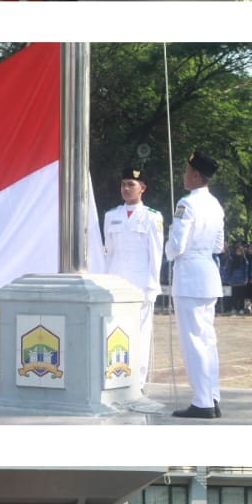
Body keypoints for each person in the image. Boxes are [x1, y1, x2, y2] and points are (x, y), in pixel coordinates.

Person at [166, 152, 226, 420]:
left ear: (196, 176)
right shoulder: (216, 205)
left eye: (187, 171)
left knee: (194, 342)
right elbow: (219, 245)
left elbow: (177, 245)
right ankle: (212, 397)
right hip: (208, 274)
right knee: (207, 340)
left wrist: (167, 251)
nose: (184, 176)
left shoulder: (186, 204)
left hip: (190, 276)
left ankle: (202, 402)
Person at [103, 164, 164, 384]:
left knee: (140, 335)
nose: (126, 188)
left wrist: (152, 287)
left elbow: (156, 255)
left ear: (142, 188)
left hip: (140, 285)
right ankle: (115, 378)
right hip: (115, 283)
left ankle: (137, 382)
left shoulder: (152, 217)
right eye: (123, 184)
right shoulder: (111, 216)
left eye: (131, 184)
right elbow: (108, 253)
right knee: (113, 332)